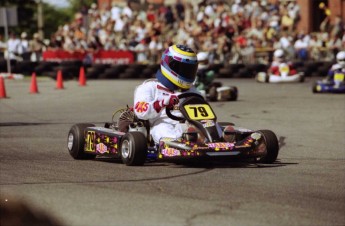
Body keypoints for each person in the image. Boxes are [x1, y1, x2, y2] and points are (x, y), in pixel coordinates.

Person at [133, 44, 200, 144]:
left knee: (210, 125)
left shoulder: (192, 90)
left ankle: (221, 139)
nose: (187, 73)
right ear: (170, 65)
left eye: (189, 70)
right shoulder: (149, 87)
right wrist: (162, 103)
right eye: (184, 69)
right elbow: (140, 111)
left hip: (189, 124)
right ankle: (178, 143)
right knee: (162, 129)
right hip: (162, 123)